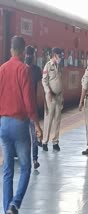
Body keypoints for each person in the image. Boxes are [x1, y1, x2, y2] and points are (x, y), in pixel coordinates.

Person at [0, 36, 43, 214]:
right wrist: (37, 124)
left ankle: (6, 209)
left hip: (3, 123)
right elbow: (29, 101)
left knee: (8, 169)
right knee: (26, 167)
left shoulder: (2, 69)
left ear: (11, 50)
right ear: (24, 51)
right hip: (19, 123)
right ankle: (14, 204)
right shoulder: (23, 70)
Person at [42, 47, 63, 152]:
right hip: (51, 97)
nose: (60, 57)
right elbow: (44, 81)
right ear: (54, 55)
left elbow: (60, 81)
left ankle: (55, 142)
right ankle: (45, 142)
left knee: (57, 120)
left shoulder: (59, 66)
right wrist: (48, 91)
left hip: (59, 96)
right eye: (59, 55)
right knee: (48, 120)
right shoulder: (48, 65)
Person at [25, 45, 42, 169]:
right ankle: (27, 159)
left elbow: (39, 87)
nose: (29, 56)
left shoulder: (36, 70)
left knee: (33, 134)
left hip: (32, 107)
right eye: (27, 54)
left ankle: (35, 159)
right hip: (23, 108)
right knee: (26, 135)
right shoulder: (21, 69)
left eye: (30, 54)